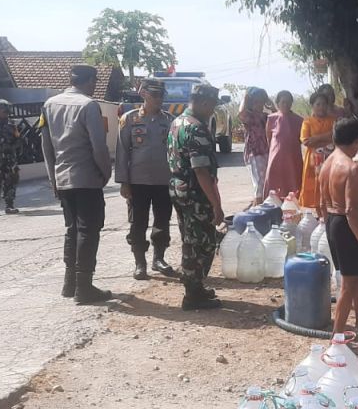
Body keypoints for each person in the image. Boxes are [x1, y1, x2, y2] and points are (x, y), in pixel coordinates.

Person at [40, 65, 115, 305]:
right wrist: (105, 174)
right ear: (90, 81)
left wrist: (53, 178)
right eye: (95, 81)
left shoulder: (49, 105)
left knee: (72, 230)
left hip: (63, 179)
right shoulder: (88, 105)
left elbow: (46, 147)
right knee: (88, 230)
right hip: (86, 179)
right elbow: (99, 146)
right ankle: (84, 288)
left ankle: (69, 283)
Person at [167, 84, 227, 311]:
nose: (213, 110)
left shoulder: (176, 122)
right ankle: (192, 295)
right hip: (194, 192)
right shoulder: (197, 129)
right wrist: (216, 205)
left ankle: (196, 288)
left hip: (178, 188)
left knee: (189, 238)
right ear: (203, 102)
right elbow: (201, 170)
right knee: (203, 242)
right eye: (212, 105)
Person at [116, 77, 177, 281]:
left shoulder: (169, 121)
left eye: (162, 95)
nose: (160, 99)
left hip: (163, 180)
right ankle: (139, 263)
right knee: (138, 223)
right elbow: (122, 152)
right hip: (138, 181)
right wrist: (124, 181)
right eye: (155, 95)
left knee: (162, 221)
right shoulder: (129, 119)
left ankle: (158, 258)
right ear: (144, 94)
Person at [319, 117, 358, 333]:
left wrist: (330, 229)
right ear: (357, 140)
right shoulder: (352, 168)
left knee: (356, 275)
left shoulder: (327, 164)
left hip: (333, 222)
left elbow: (322, 204)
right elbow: (352, 211)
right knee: (348, 283)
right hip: (346, 223)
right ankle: (337, 337)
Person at [299, 92, 336, 210]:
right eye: (318, 104)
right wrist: (327, 136)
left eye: (324, 104)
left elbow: (336, 137)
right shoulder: (307, 122)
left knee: (329, 184)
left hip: (330, 158)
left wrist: (316, 138)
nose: (321, 107)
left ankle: (329, 209)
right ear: (312, 105)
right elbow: (306, 141)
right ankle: (316, 212)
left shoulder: (333, 121)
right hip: (313, 160)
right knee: (314, 184)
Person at [265, 90, 304, 198]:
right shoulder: (271, 119)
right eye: (283, 102)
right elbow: (269, 138)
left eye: (288, 102)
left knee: (294, 189)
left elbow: (302, 139)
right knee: (274, 192)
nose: (286, 105)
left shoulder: (299, 120)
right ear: (277, 103)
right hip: (276, 160)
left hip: (293, 160)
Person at [239, 87, 272, 206]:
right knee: (259, 184)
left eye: (261, 101)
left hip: (266, 151)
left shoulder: (265, 116)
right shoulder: (249, 116)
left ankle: (261, 208)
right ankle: (257, 210)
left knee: (266, 183)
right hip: (255, 153)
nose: (259, 104)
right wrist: (245, 97)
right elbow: (241, 113)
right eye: (256, 102)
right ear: (250, 102)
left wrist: (272, 106)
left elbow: (278, 116)